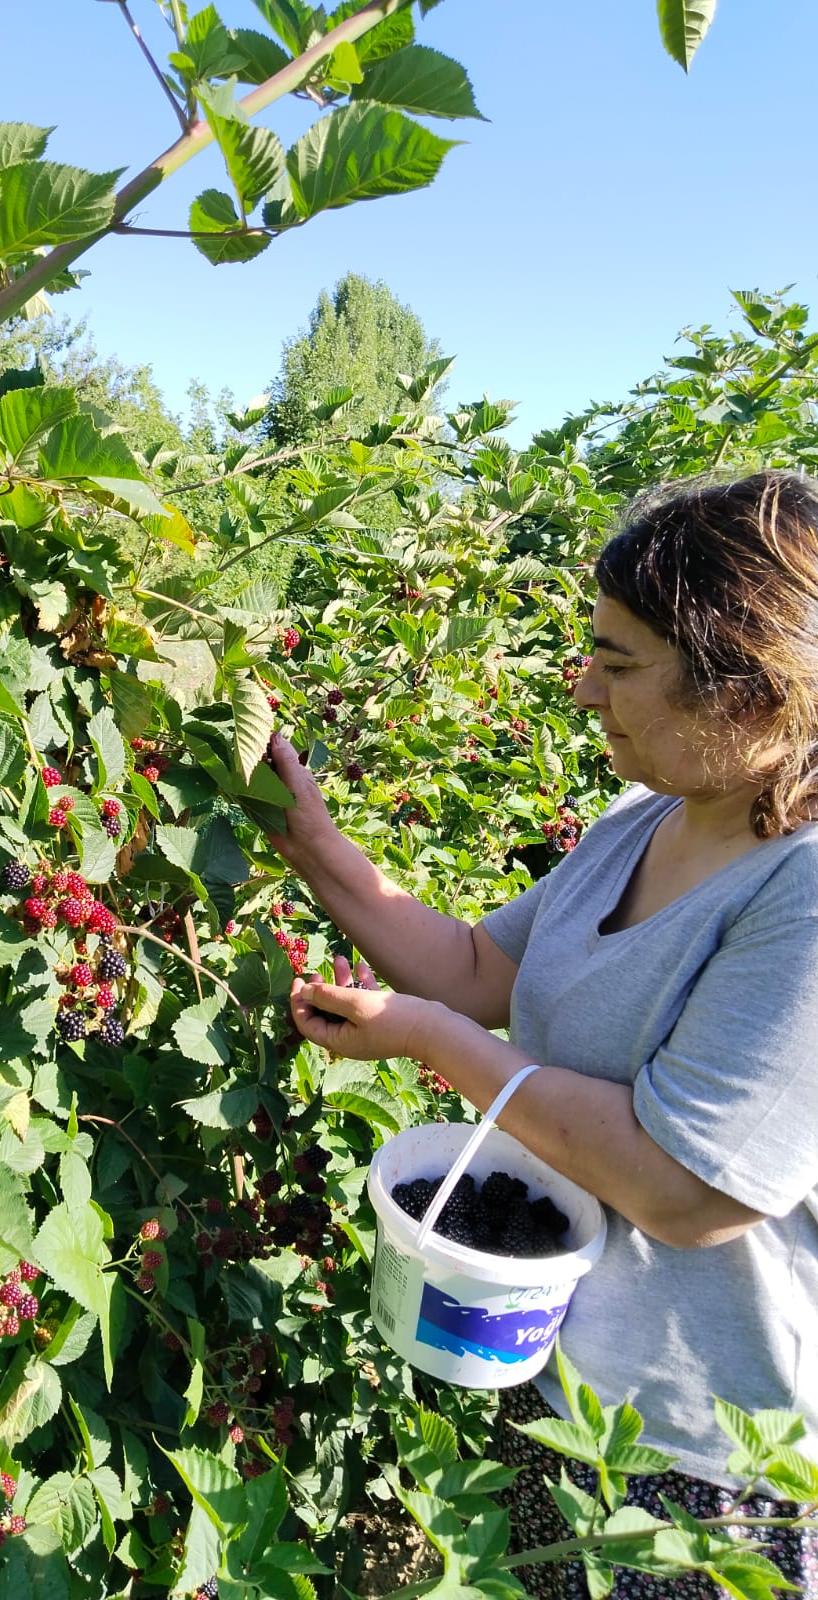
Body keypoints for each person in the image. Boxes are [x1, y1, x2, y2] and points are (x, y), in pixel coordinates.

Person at [269, 469, 818, 1599]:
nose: (582, 689)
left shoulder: (802, 890)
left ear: (752, 690)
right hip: (559, 1380)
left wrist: (429, 1041)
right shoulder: (643, 820)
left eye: (619, 664)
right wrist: (301, 829)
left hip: (702, 1462)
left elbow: (687, 1187)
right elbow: (478, 969)